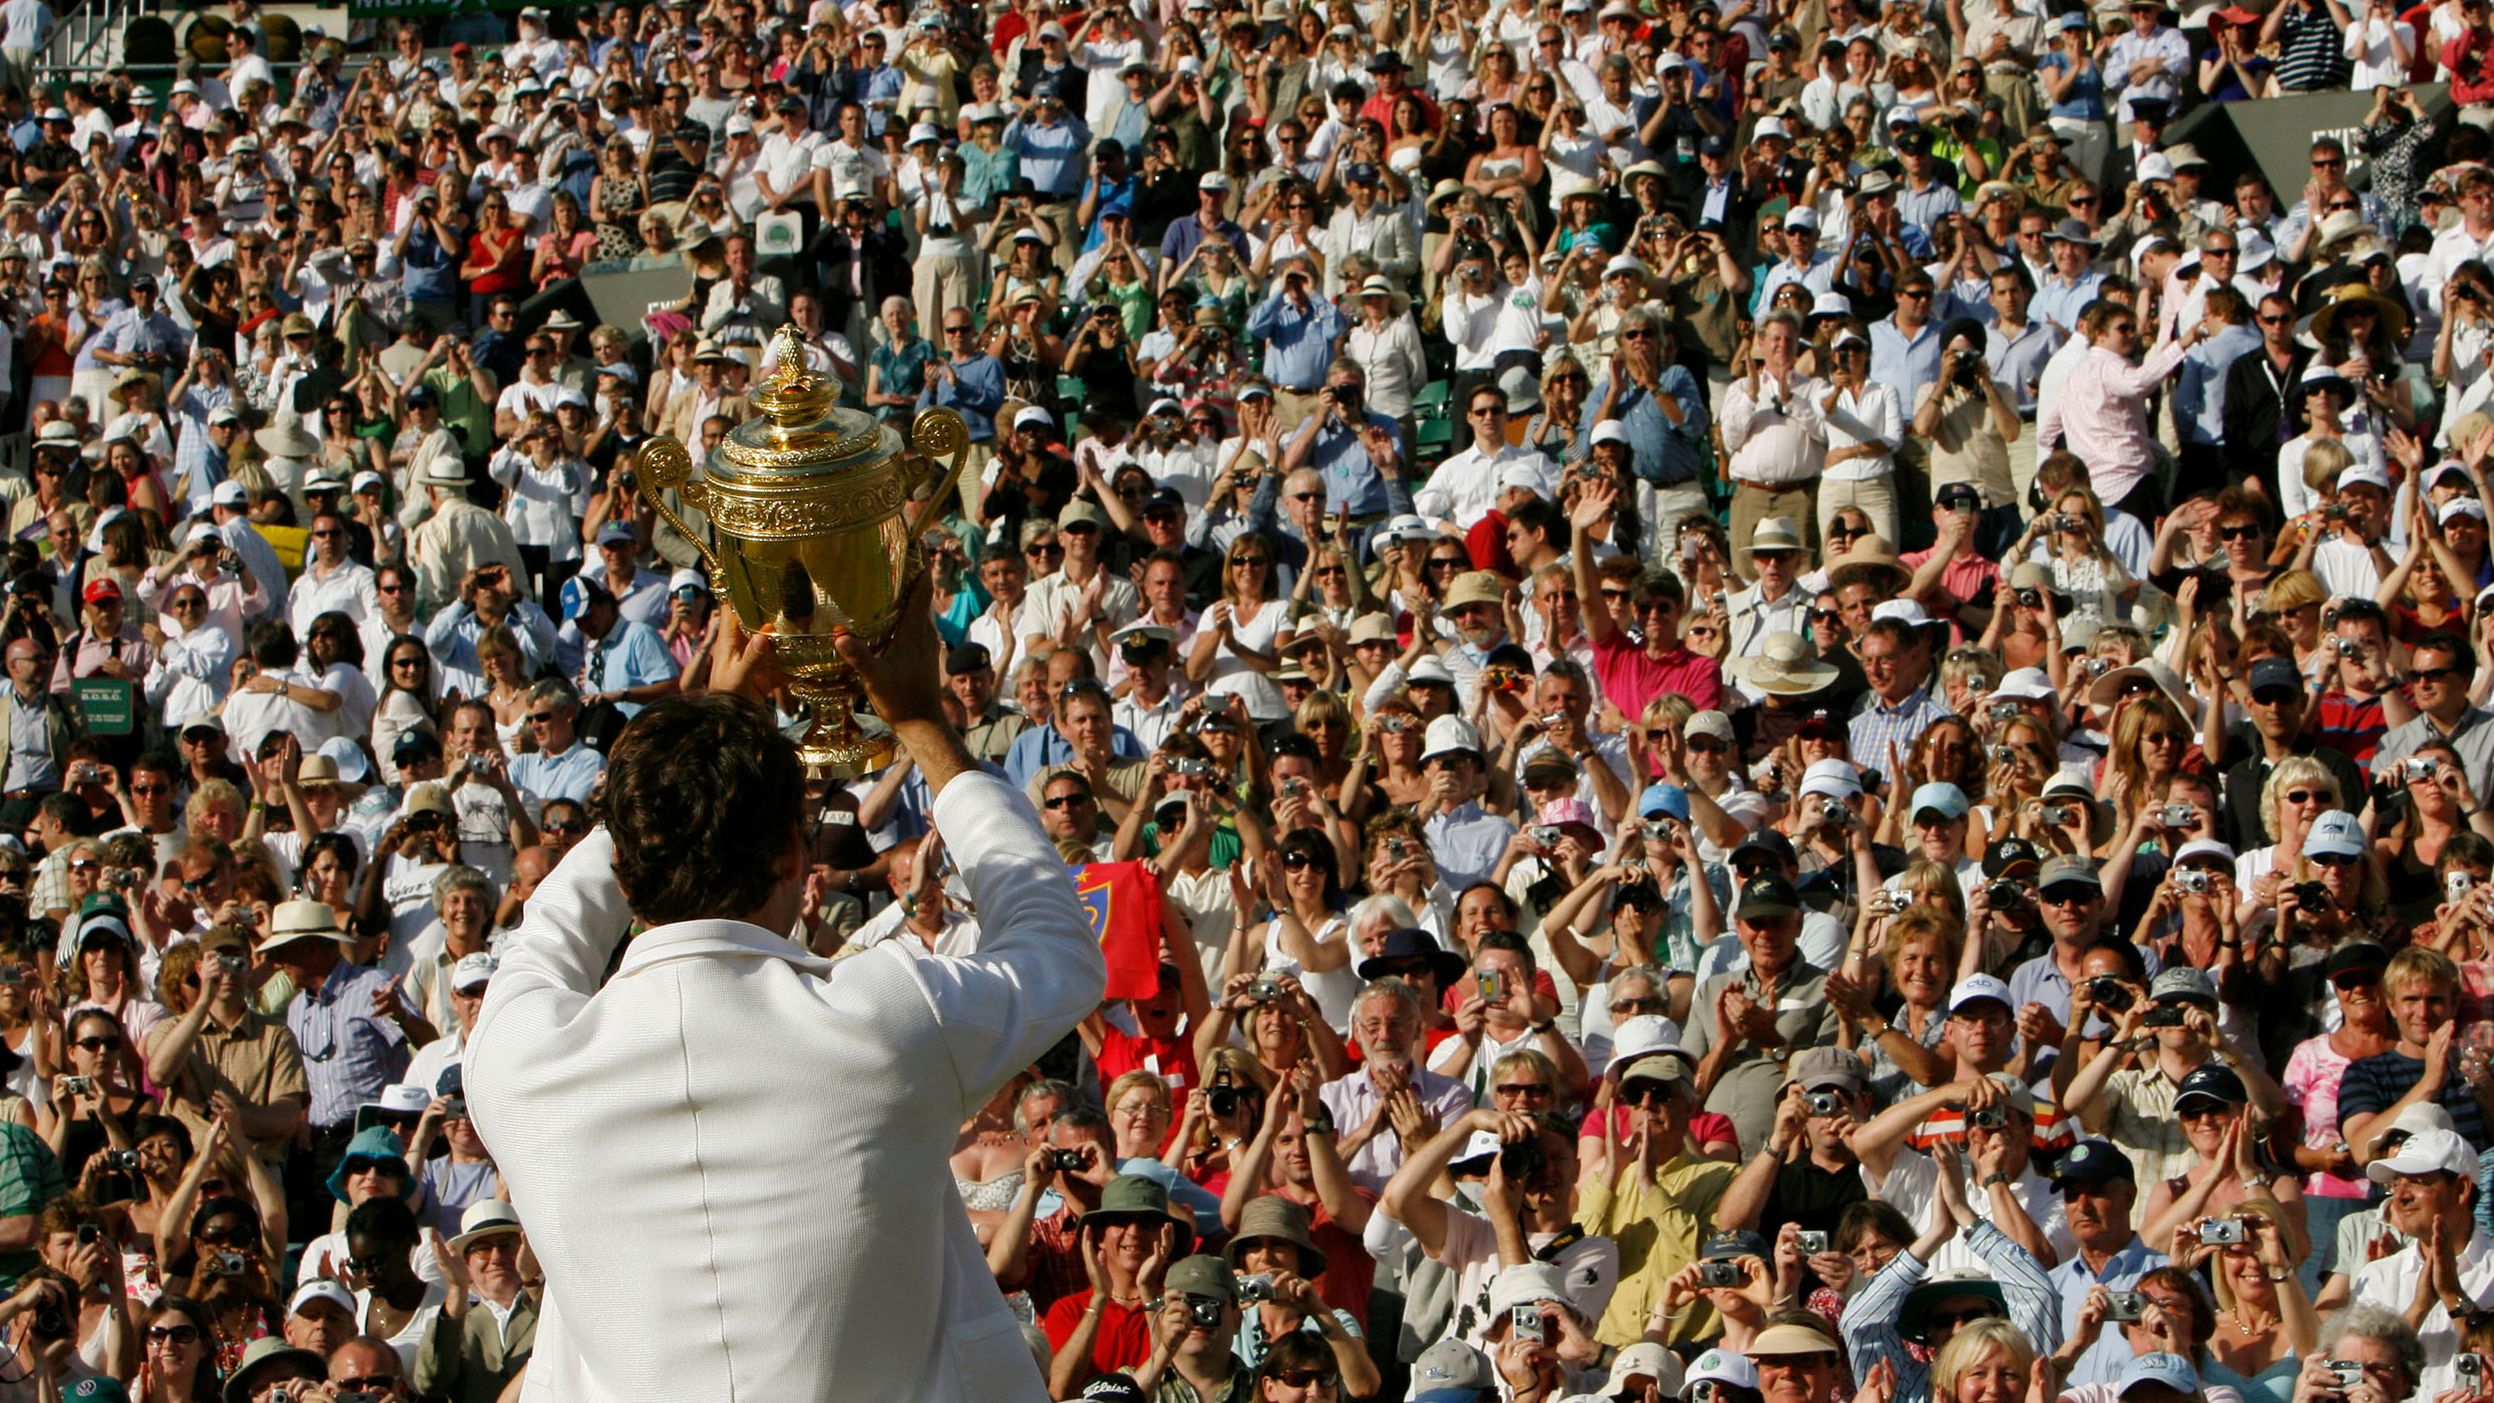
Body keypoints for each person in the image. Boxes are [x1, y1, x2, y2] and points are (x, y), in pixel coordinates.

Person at [465, 595, 1106, 1398]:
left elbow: (552, 924)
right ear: (796, 856)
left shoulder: (518, 1063)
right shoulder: (885, 1018)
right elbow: (1060, 950)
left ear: (624, 870)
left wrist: (699, 744)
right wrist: (920, 723)